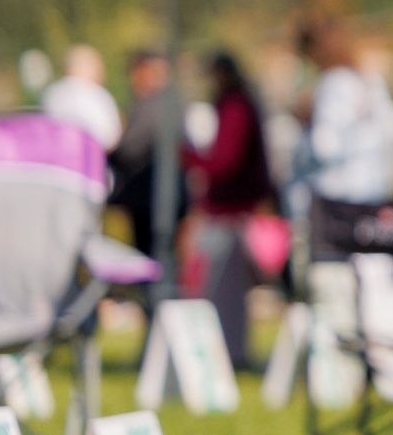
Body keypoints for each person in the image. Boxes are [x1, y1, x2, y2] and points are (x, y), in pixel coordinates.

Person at [182, 51, 276, 369]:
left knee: (219, 287)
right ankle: (230, 351)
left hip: (231, 211)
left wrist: (190, 158)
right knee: (228, 291)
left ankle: (226, 352)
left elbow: (225, 161)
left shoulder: (235, 107)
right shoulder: (240, 105)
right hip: (234, 207)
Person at [297, 17, 391, 204]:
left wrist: (305, 124)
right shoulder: (370, 80)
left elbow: (324, 148)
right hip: (372, 192)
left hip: (338, 202)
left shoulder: (333, 84)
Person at [108, 50, 175, 253]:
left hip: (151, 198)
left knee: (150, 253)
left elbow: (129, 149)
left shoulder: (155, 104)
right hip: (153, 197)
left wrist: (105, 153)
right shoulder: (163, 102)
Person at [40, 44, 122, 151]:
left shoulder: (51, 93)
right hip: (88, 159)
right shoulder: (98, 95)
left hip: (55, 159)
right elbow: (110, 137)